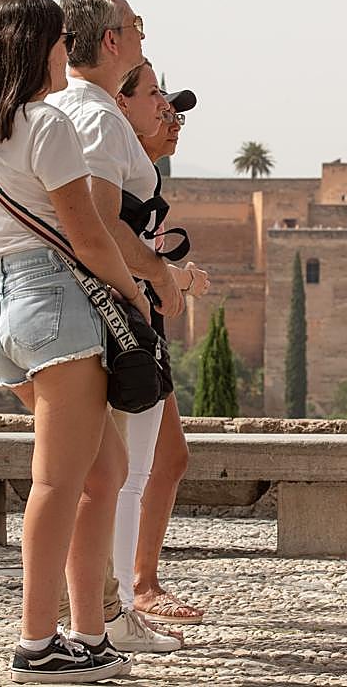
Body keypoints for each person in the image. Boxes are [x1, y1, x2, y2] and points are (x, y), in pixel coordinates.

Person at [0, 0, 135, 683]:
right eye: (61, 39)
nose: (69, 51)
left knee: (102, 471)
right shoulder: (47, 125)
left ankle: (87, 634)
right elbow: (87, 233)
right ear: (35, 47)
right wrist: (132, 301)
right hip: (55, 301)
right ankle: (38, 642)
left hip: (5, 308)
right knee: (58, 481)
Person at [46, 0, 185, 653]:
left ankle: (95, 614)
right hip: (115, 307)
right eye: (134, 24)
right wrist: (157, 280)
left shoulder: (58, 111)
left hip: (68, 305)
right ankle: (115, 612)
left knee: (93, 475)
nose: (141, 33)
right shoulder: (97, 115)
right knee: (119, 473)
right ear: (110, 41)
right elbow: (101, 221)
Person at [112, 73, 210, 624]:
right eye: (163, 108)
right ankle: (131, 590)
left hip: (144, 325)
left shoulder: (144, 181)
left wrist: (172, 277)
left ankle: (136, 582)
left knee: (165, 459)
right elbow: (108, 245)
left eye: (176, 113)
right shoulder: (119, 179)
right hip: (128, 326)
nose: (173, 122)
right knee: (140, 464)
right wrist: (174, 280)